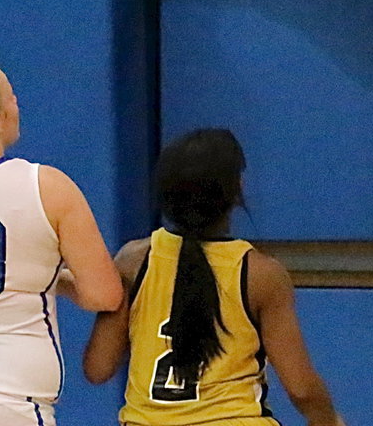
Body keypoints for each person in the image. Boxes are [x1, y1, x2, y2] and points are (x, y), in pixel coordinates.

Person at [84, 128, 344, 426]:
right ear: (236, 190)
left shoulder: (133, 260)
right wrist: (329, 421)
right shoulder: (260, 274)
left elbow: (98, 368)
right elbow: (301, 389)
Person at [0, 56, 124, 426]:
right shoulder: (47, 187)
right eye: (12, 96)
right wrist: (57, 281)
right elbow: (105, 294)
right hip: (9, 400)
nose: (17, 103)